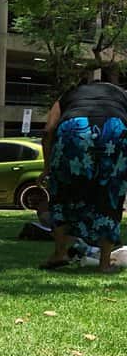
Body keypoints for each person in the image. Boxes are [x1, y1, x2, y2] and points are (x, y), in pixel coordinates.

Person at [38, 79, 127, 272]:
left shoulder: (68, 95)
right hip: (115, 128)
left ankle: (60, 253)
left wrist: (47, 168)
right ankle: (104, 264)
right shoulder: (121, 95)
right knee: (110, 194)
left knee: (62, 193)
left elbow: (48, 131)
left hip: (74, 127)